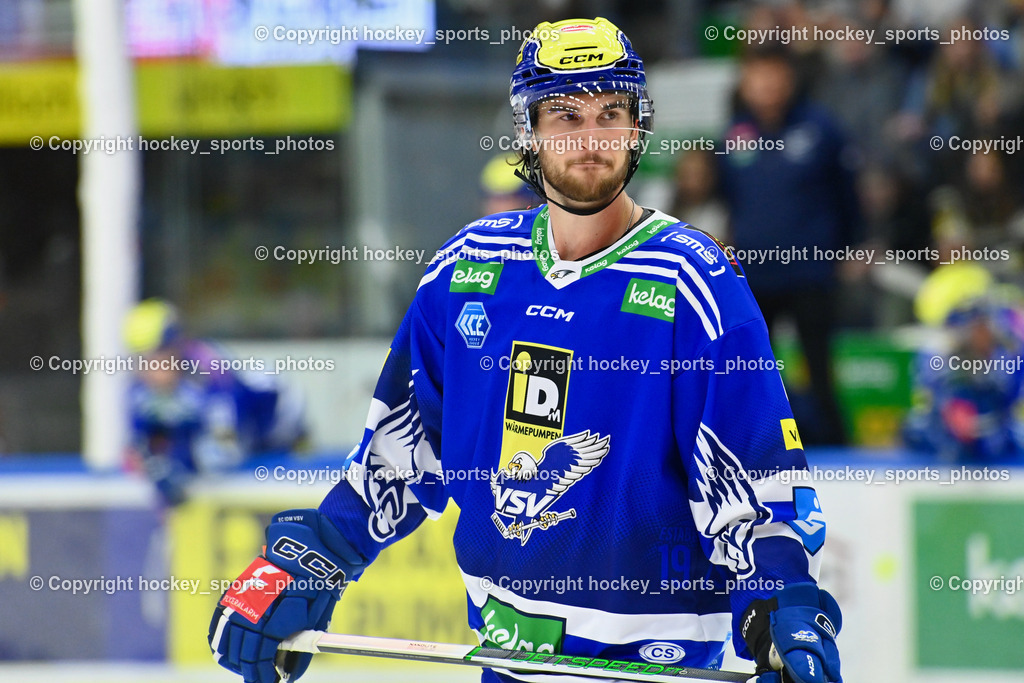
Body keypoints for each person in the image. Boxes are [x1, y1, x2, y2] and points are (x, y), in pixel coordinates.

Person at [209, 18, 842, 683]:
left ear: (637, 127)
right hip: (505, 659)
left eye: (611, 112)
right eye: (566, 114)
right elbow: (397, 455)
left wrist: (782, 606)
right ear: (528, 130)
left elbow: (760, 484)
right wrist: (316, 553)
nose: (591, 137)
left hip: (658, 667)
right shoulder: (467, 269)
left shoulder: (696, 283)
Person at [718, 46, 861, 446]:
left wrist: (851, 247)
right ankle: (753, 446)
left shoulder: (821, 128)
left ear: (789, 78)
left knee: (818, 366)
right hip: (754, 272)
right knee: (750, 367)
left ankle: (837, 450)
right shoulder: (734, 134)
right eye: (755, 76)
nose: (764, 85)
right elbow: (730, 199)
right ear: (744, 83)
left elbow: (847, 196)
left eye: (772, 75)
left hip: (811, 269)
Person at [124, 298, 307, 505]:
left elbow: (225, 452)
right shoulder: (139, 390)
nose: (149, 368)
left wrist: (177, 461)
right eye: (140, 358)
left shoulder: (210, 371)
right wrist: (153, 462)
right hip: (233, 434)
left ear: (177, 347)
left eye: (158, 354)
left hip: (276, 421)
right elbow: (136, 452)